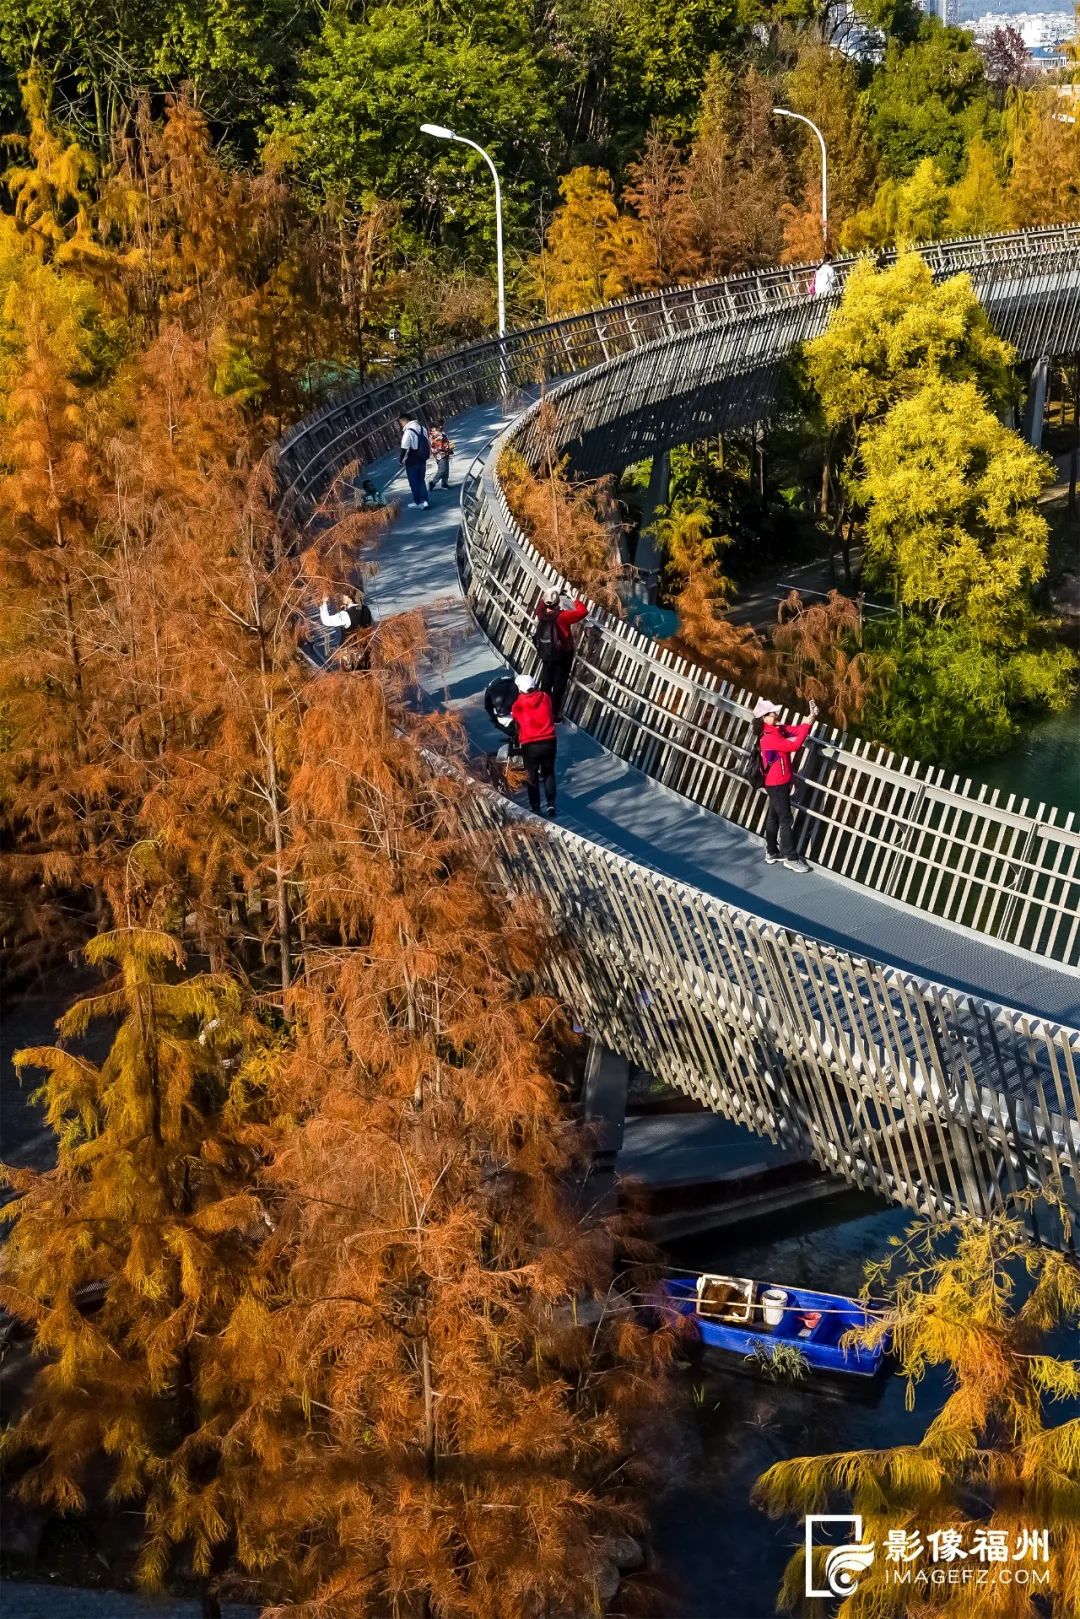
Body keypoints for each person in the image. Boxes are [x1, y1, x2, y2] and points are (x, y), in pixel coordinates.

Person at [753, 695, 818, 873]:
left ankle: (772, 852)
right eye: (772, 714)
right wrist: (806, 726)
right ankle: (790, 857)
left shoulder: (776, 730)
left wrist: (808, 720)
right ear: (764, 718)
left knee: (774, 816)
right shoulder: (769, 737)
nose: (776, 715)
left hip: (777, 781)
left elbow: (795, 731)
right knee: (786, 819)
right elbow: (795, 745)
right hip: (777, 783)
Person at [535, 588, 588, 722]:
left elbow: (541, 604)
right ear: (558, 601)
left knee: (546, 681)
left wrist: (551, 590)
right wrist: (572, 596)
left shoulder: (541, 613)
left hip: (546, 652)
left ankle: (543, 709)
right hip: (562, 653)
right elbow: (583, 611)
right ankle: (553, 714)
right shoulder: (562, 616)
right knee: (559, 684)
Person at [510, 673, 558, 817]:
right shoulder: (545, 698)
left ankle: (536, 807)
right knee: (549, 772)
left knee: (531, 776)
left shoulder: (518, 704)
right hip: (549, 741)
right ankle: (551, 804)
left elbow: (514, 718)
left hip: (530, 744)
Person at [320, 592, 373, 669]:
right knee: (366, 675)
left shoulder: (345, 615)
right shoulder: (366, 609)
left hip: (350, 654)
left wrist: (323, 603)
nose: (342, 596)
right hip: (365, 650)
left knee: (353, 677)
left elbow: (327, 621)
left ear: (350, 598)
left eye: (345, 595)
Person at [397, 413, 430, 509]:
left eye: (401, 423)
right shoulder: (422, 428)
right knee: (421, 480)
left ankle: (418, 501)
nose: (401, 425)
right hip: (422, 458)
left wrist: (401, 461)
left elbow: (405, 448)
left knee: (413, 482)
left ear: (404, 420)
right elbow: (427, 442)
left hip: (412, 460)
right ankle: (425, 501)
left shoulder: (408, 432)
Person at [428, 418, 455, 491]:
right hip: (439, 454)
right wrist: (449, 446)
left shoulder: (440, 432)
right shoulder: (435, 434)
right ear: (439, 426)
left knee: (446, 469)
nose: (443, 426)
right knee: (442, 470)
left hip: (445, 453)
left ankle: (444, 483)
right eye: (442, 425)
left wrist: (449, 445)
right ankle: (433, 482)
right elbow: (439, 446)